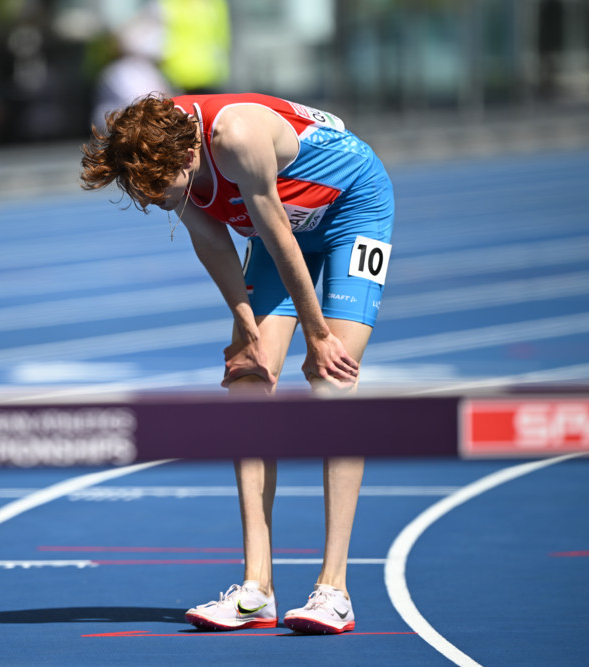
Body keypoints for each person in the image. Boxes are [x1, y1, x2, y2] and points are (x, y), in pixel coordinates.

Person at [80, 93, 394, 634]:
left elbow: (277, 233)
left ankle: (334, 589)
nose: (155, 203)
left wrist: (318, 335)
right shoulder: (160, 150)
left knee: (331, 379)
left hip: (351, 210)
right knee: (248, 382)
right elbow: (211, 240)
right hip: (281, 229)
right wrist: (246, 326)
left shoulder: (237, 137)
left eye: (160, 191)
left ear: (188, 157)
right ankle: (257, 588)